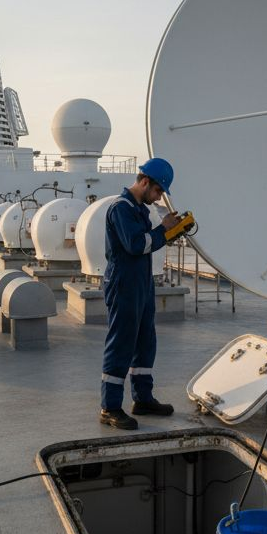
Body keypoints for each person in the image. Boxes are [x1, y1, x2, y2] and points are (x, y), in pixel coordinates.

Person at [99, 158, 182, 430]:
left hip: (142, 282)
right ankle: (110, 407)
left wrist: (168, 233)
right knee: (122, 341)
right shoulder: (121, 208)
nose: (158, 197)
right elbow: (136, 245)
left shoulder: (139, 209)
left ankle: (142, 398)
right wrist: (164, 231)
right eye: (158, 191)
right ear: (145, 182)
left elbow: (147, 244)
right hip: (123, 283)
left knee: (145, 340)